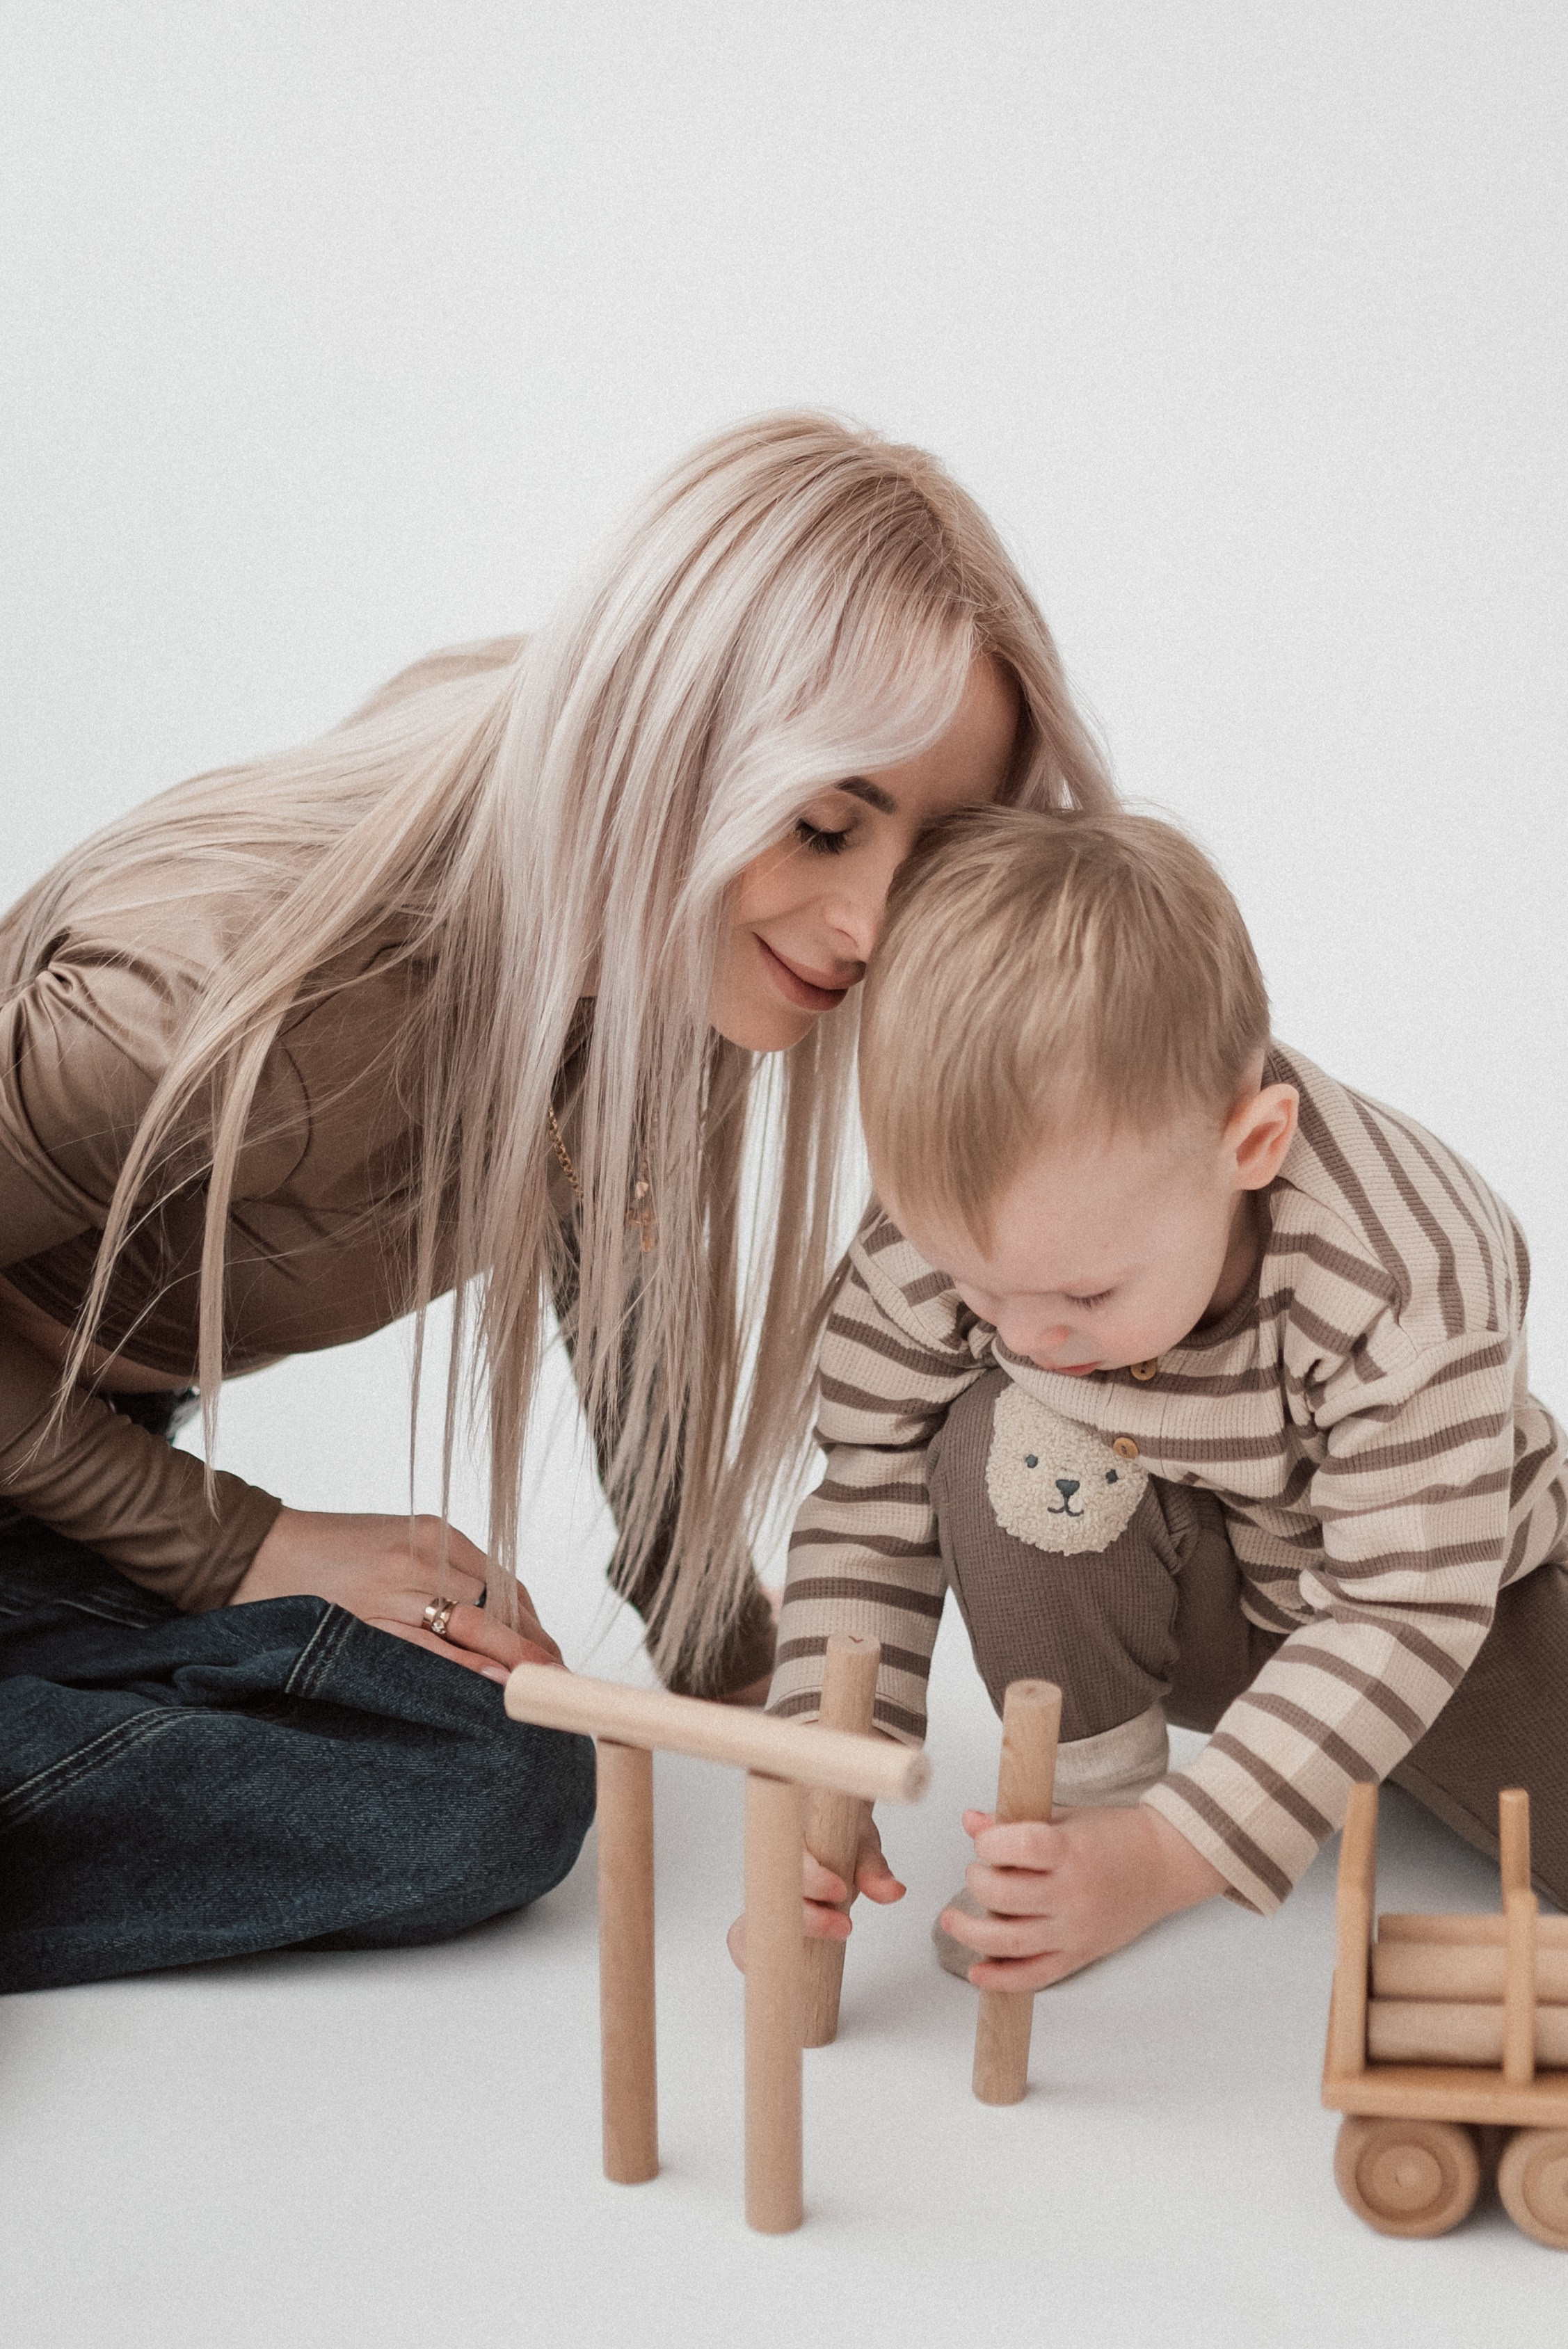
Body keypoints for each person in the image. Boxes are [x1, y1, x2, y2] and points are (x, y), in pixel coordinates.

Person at [0, 413, 1114, 1994]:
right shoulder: (228, 1002)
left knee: (493, 1761)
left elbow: (611, 1233)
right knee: (478, 1786)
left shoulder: (648, 904)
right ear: (665, 742)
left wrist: (730, 1663)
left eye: (928, 854)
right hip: (65, 1458)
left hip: (69, 1453)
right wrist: (240, 1544)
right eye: (821, 822)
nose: (869, 925)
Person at [761, 804, 1568, 1992]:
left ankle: (1214, 1815)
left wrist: (1172, 1856)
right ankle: (1081, 1825)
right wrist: (822, 1768)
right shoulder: (959, 1228)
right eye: (979, 1286)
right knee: (993, 1438)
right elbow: (872, 1490)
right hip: (1205, 1595)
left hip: (1450, 1607)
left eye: (1085, 1292)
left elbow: (1401, 1609)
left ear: (1251, 1145)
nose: (1022, 1334)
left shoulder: (1401, 1272)